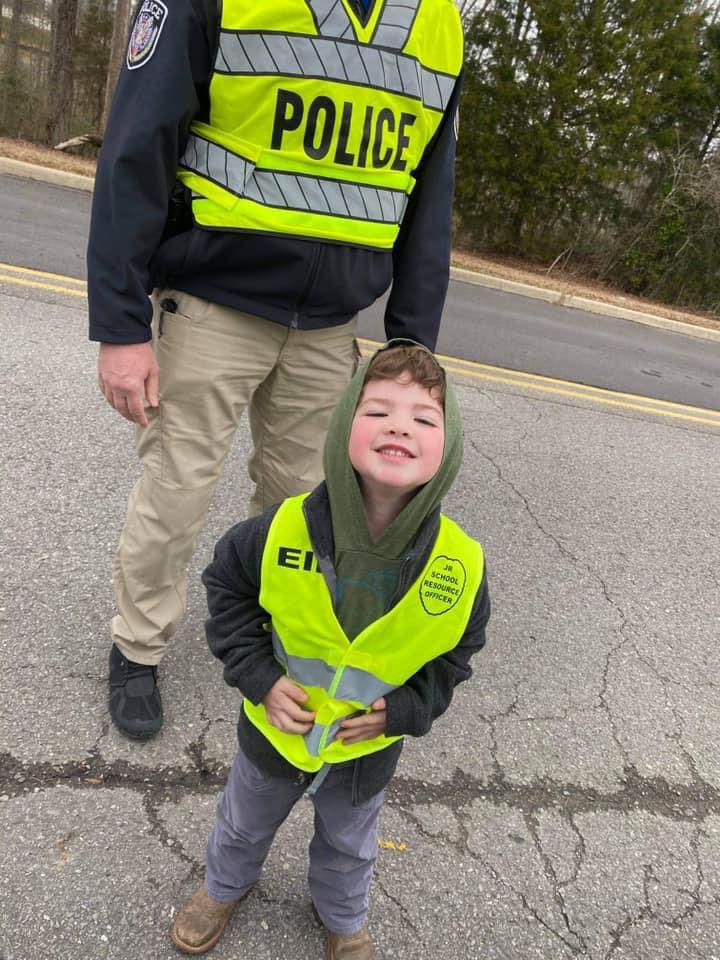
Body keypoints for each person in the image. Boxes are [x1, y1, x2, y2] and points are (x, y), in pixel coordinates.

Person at [87, 0, 466, 739]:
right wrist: (119, 325)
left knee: (305, 509)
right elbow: (137, 146)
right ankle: (137, 646)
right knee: (177, 492)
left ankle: (264, 643)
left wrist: (412, 347)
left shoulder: (439, 25)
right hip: (210, 304)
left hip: (329, 328)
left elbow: (429, 193)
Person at [168, 341, 490, 958]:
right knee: (243, 822)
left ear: (447, 448)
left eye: (424, 418)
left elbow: (456, 657)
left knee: (350, 844)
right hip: (272, 733)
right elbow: (227, 589)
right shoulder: (279, 528)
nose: (400, 425)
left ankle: (343, 918)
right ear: (344, 426)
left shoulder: (462, 565)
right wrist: (258, 675)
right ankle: (223, 886)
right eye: (377, 411)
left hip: (365, 751)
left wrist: (404, 711)